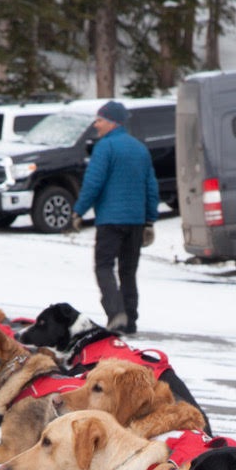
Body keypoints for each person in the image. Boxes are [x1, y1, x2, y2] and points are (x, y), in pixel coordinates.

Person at [70, 100, 159, 334]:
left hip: (111, 220)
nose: (96, 125)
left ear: (112, 122)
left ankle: (116, 313)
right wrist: (149, 220)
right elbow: (151, 186)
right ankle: (130, 319)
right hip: (135, 222)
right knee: (128, 271)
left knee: (104, 266)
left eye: (99, 120)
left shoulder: (105, 148)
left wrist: (79, 211)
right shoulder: (140, 148)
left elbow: (93, 183)